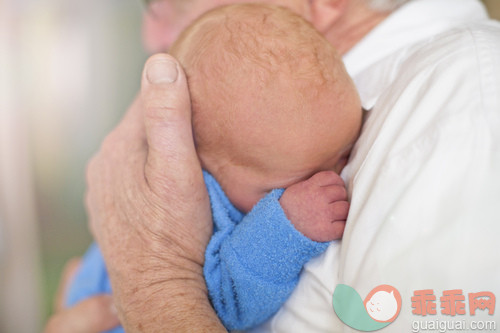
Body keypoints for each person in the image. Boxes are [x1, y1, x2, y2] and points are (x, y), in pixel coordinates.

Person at [46, 0, 500, 332]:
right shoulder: (249, 132)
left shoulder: (465, 86)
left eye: (171, 5)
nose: (152, 36)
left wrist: (154, 280)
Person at [65, 4, 362, 331]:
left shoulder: (263, 152)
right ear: (200, 161)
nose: (334, 177)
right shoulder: (194, 199)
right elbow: (221, 302)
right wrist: (286, 226)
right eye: (296, 181)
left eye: (344, 151)